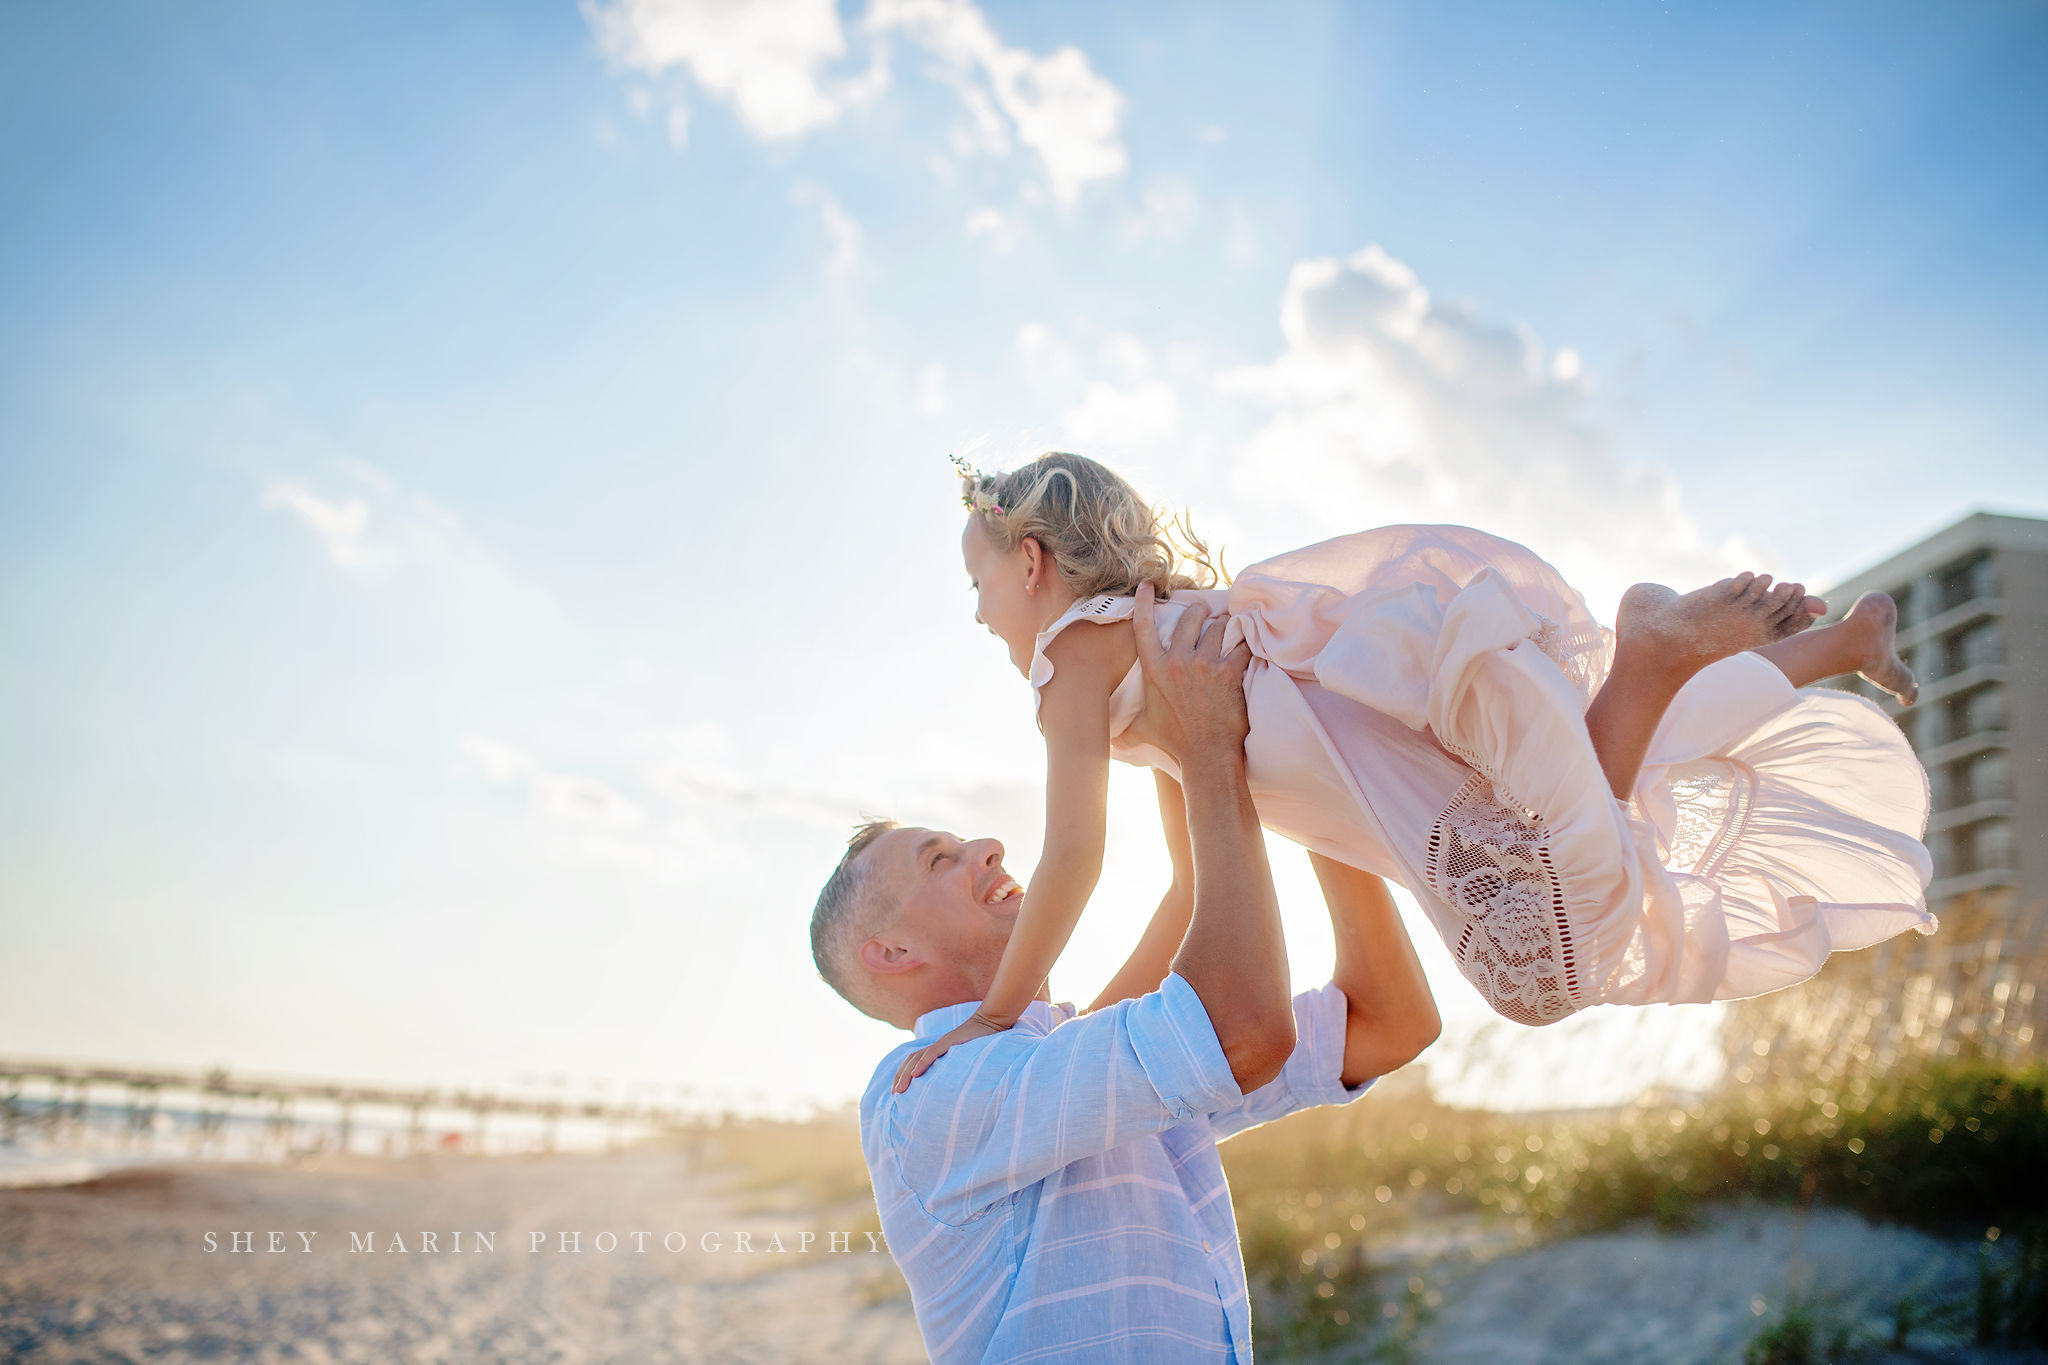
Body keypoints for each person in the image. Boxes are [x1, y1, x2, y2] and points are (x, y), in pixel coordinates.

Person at [898, 452, 1933, 1087]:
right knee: (1605, 785)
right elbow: (1183, 886)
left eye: (975, 578)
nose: (976, 606)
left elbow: (1076, 852)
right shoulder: (1153, 644)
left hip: (1378, 773)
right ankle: (1837, 645)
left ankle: (1655, 657)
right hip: (1379, 744)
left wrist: (1000, 1016)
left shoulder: (1072, 661)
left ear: (1029, 560)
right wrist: (1080, 1026)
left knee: (1539, 978)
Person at [810, 590, 1440, 1363]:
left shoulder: (1089, 1071)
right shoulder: (926, 1096)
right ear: (894, 953)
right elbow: (1243, 1030)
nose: (988, 846)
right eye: (940, 859)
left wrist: (1304, 782)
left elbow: (1389, 1021)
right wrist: (1208, 746)